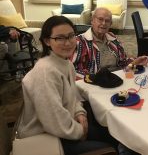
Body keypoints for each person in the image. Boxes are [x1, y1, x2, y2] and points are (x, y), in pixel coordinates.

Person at [17, 16, 116, 155]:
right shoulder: (45, 72)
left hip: (65, 125)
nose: (68, 43)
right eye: (60, 38)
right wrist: (80, 131)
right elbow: (53, 121)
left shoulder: (66, 63)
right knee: (111, 146)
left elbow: (71, 96)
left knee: (112, 132)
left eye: (71, 36)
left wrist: (79, 112)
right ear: (47, 41)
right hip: (47, 136)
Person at [72, 7, 148, 79]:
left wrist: (136, 62)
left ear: (110, 24)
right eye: (100, 19)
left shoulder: (112, 38)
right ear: (92, 20)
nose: (104, 23)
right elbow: (74, 70)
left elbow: (123, 62)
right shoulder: (80, 42)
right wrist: (95, 79)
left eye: (107, 21)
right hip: (96, 82)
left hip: (117, 77)